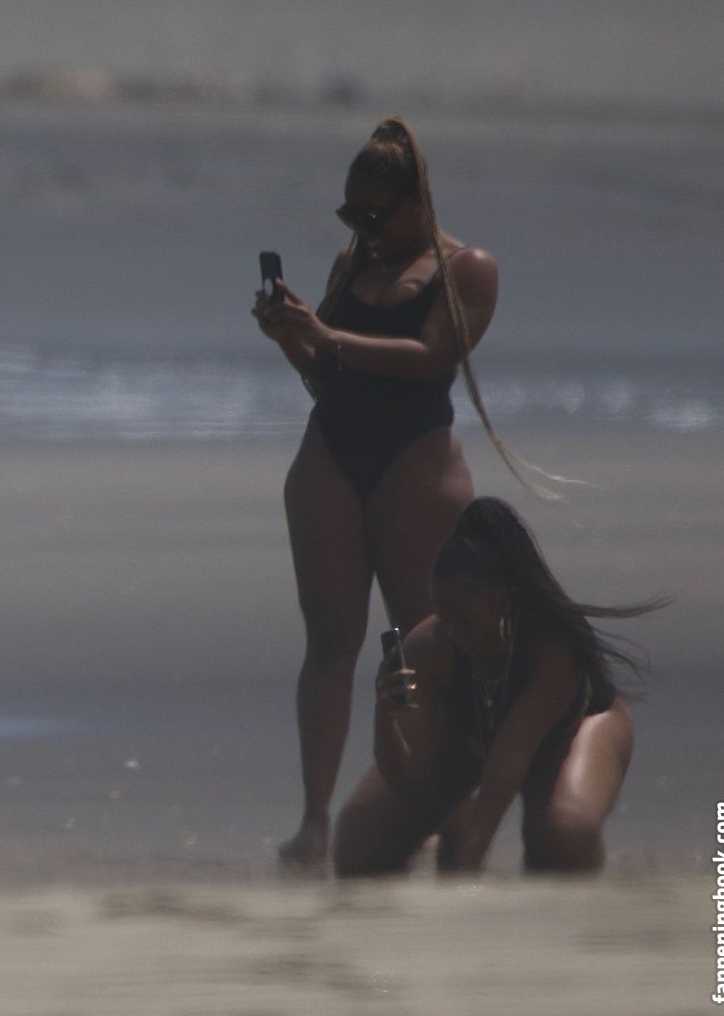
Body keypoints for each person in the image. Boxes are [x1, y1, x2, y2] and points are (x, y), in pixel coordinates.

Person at [254, 115, 547, 867]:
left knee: (426, 641)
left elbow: (429, 356)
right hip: (331, 452)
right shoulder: (353, 264)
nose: (365, 230)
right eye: (351, 215)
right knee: (330, 642)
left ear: (418, 200)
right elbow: (328, 375)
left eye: (377, 215)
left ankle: (437, 806)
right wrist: (292, 337)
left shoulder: (467, 268)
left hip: (415, 462)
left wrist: (325, 335)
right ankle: (315, 820)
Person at [332, 497, 659, 876]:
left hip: (570, 732)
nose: (455, 635)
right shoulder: (429, 646)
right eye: (445, 619)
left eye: (465, 621)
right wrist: (384, 717)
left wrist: (469, 866)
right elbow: (412, 777)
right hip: (474, 741)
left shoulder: (552, 648)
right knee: (358, 845)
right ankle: (457, 818)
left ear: (500, 598)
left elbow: (512, 754)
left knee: (563, 838)